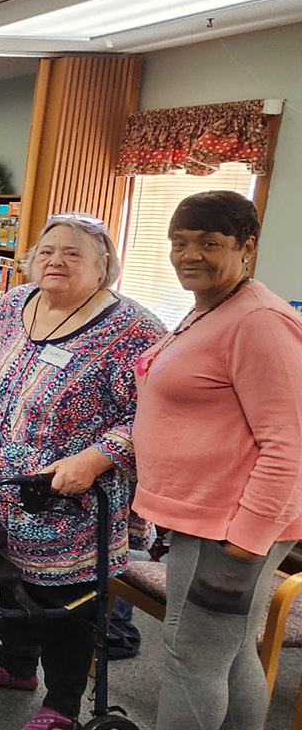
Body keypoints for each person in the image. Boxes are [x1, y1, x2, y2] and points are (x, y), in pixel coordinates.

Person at [0, 214, 163, 730]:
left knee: (64, 604)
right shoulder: (15, 301)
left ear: (103, 265)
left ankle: (63, 704)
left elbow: (154, 417)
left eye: (72, 253)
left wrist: (95, 458)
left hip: (67, 501)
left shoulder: (135, 330)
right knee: (7, 578)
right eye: (46, 252)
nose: (55, 261)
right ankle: (14, 666)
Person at [134, 191, 302, 730]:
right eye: (179, 243)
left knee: (192, 659)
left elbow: (289, 444)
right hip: (206, 516)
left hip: (232, 525)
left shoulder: (259, 321)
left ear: (246, 246)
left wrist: (246, 540)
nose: (190, 255)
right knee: (225, 659)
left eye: (210, 243)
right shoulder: (213, 305)